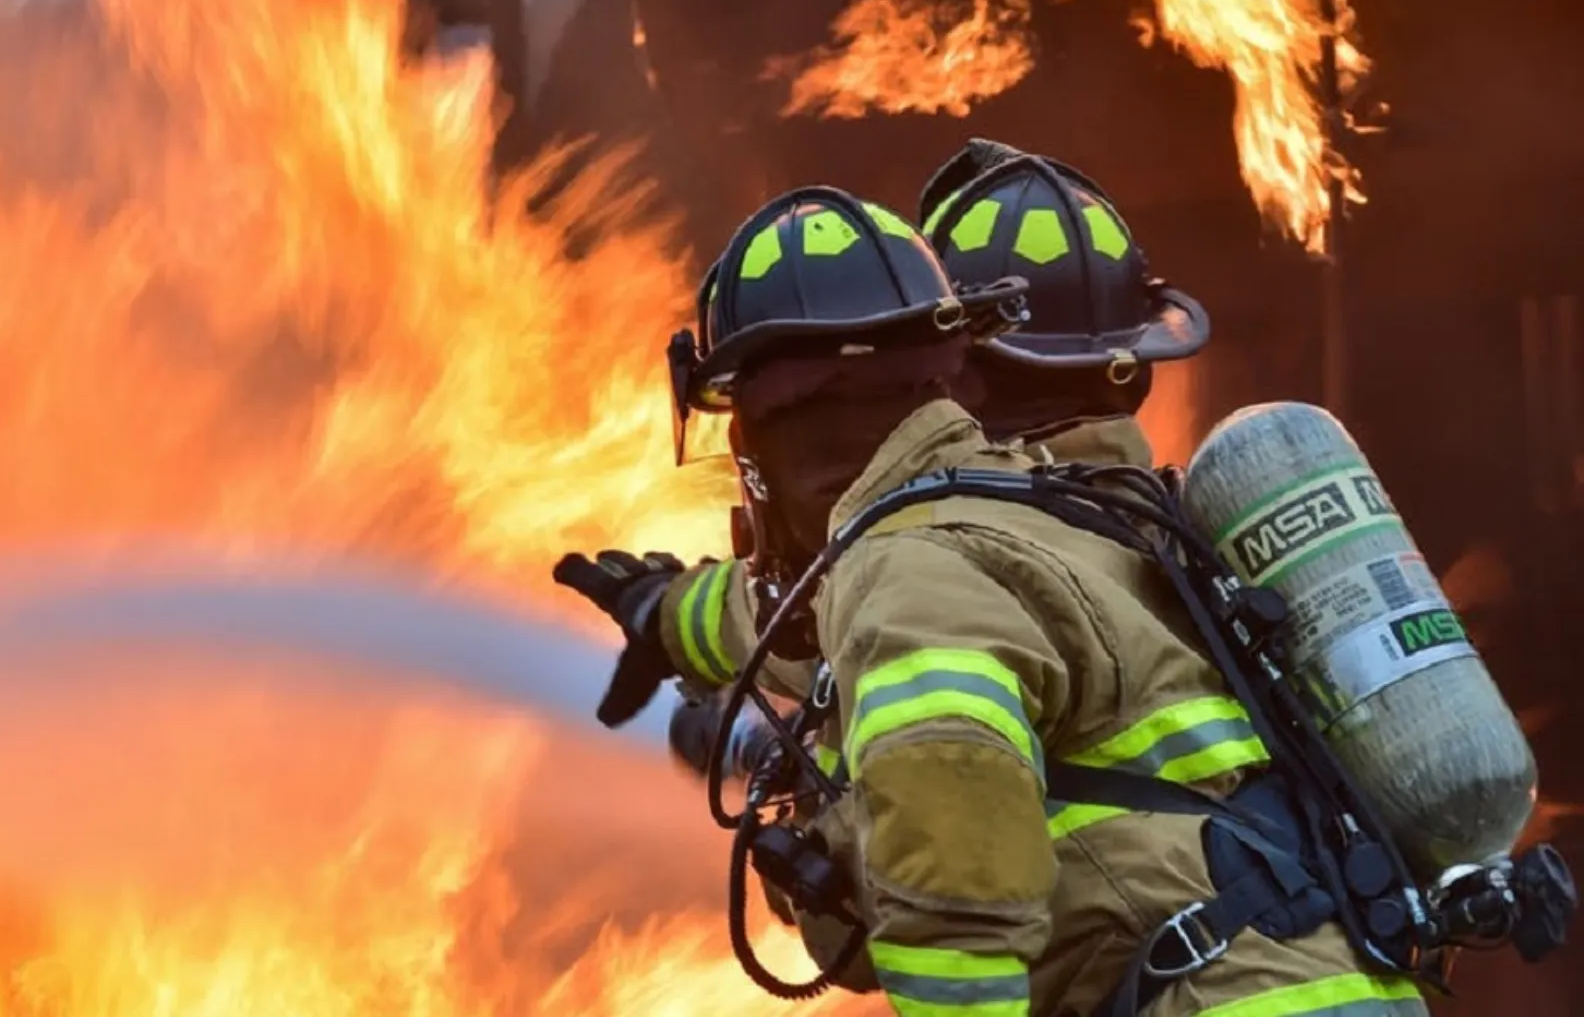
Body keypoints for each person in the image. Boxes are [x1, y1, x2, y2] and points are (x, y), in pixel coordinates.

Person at [553, 148, 1429, 1015]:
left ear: (774, 437)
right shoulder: (1058, 518)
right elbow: (799, 614)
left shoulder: (910, 571)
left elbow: (952, 890)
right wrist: (668, 615)